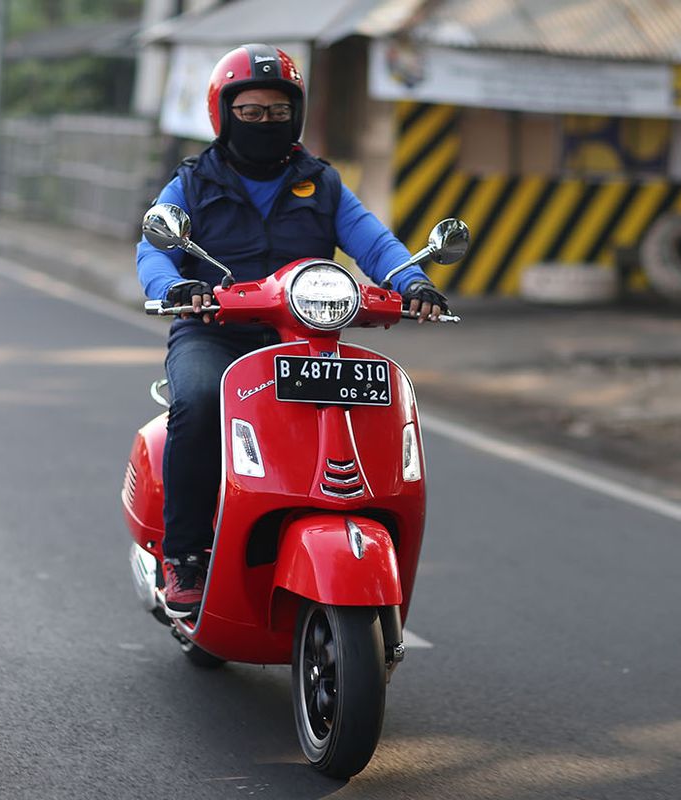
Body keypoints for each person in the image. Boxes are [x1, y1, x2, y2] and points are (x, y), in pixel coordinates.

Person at [135, 43, 451, 617]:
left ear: (296, 115)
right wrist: (173, 290)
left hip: (307, 337)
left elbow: (372, 241)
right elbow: (153, 249)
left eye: (278, 112)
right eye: (250, 112)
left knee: (370, 407)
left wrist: (413, 282)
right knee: (201, 401)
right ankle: (185, 555)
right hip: (216, 332)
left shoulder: (321, 182)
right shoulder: (193, 181)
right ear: (223, 114)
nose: (264, 123)